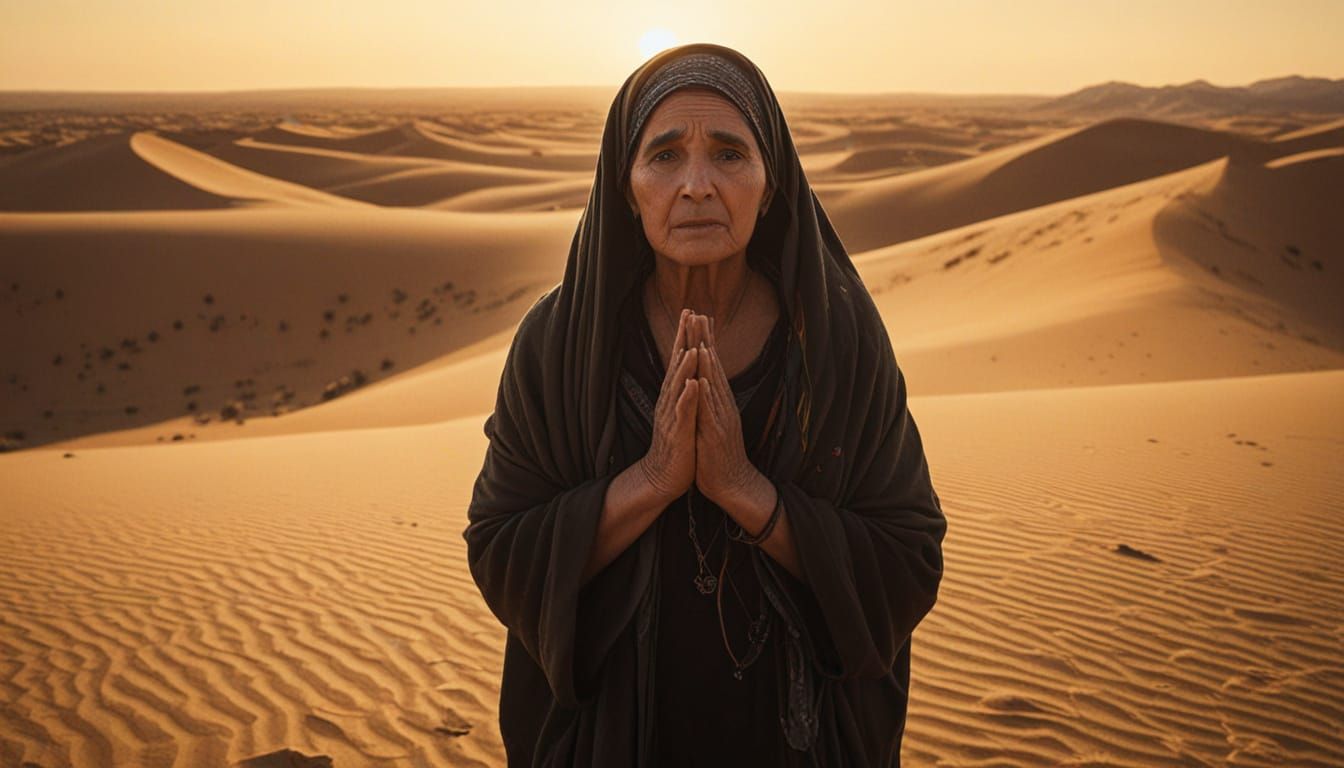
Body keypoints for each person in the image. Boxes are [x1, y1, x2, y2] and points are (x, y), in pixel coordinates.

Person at [464, 42, 946, 767]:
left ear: (770, 182)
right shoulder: (560, 345)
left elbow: (906, 556)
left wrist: (746, 491)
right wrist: (651, 481)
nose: (696, 185)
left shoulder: (836, 341)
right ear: (626, 187)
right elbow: (502, 545)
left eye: (729, 153)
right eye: (663, 156)